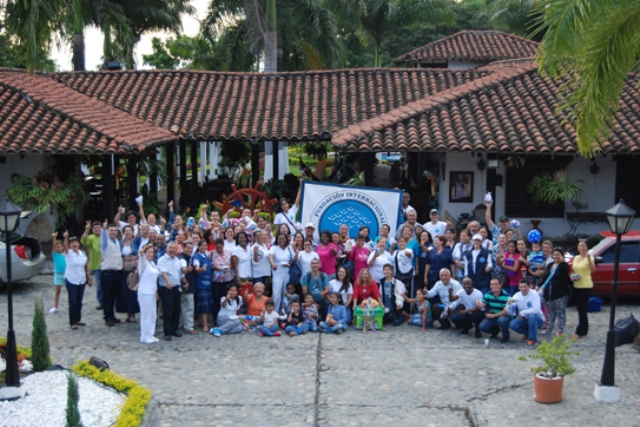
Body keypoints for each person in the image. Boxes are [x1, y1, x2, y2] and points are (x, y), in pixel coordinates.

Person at [540, 247, 572, 337]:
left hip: (560, 293)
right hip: (549, 293)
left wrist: (563, 262)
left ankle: (560, 330)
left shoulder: (563, 266)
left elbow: (566, 273)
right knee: (550, 312)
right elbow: (545, 277)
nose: (556, 256)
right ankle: (549, 328)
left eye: (558, 254)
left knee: (560, 312)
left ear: (562, 255)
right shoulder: (550, 265)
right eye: (554, 254)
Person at [63, 233, 91, 330]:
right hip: (72, 279)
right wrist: (66, 238)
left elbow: (86, 265)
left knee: (79, 301)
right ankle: (72, 322)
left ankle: (78, 319)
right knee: (73, 301)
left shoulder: (82, 253)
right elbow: (65, 247)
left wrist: (89, 277)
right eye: (72, 243)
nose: (74, 244)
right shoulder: (68, 253)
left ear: (78, 243)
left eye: (75, 242)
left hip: (81, 279)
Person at [158, 242, 185, 341]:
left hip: (177, 288)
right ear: (166, 249)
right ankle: (167, 332)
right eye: (170, 248)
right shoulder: (162, 260)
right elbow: (163, 272)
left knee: (176, 310)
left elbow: (180, 274)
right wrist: (167, 282)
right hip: (167, 288)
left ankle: (174, 329)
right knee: (168, 311)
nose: (172, 249)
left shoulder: (177, 260)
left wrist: (185, 282)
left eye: (174, 248)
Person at [509, 278, 544, 349]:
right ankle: (528, 333)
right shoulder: (517, 295)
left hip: (537, 318)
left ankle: (533, 340)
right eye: (521, 287)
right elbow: (511, 309)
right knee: (512, 325)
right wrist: (509, 304)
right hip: (524, 319)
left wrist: (523, 313)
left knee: (531, 316)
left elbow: (536, 309)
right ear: (518, 287)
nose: (523, 288)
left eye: (525, 286)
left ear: (529, 286)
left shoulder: (534, 294)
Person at [100, 222, 123, 326]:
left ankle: (112, 315)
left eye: (115, 230)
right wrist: (104, 228)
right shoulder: (105, 241)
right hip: (107, 272)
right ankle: (107, 317)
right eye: (111, 230)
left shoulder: (117, 241)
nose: (113, 232)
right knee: (107, 296)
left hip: (116, 272)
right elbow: (103, 237)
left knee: (113, 296)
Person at [571, 240, 596, 339]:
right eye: (580, 246)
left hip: (585, 286)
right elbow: (574, 270)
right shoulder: (576, 257)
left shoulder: (590, 258)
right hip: (577, 284)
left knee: (581, 309)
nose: (581, 248)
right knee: (580, 309)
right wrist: (572, 276)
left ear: (587, 248)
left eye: (583, 246)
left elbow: (593, 270)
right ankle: (584, 329)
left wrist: (589, 260)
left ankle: (579, 331)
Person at [137, 244, 160, 343]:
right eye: (148, 252)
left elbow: (154, 280)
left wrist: (156, 292)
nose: (150, 254)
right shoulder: (143, 262)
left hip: (152, 292)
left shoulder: (153, 264)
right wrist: (149, 245)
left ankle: (150, 334)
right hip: (144, 292)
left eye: (152, 252)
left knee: (152, 314)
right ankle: (144, 336)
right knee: (145, 315)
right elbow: (140, 253)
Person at [478, 278, 511, 343]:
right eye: (492, 284)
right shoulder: (488, 294)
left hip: (504, 315)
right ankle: (495, 331)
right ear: (490, 286)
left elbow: (506, 312)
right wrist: (478, 304)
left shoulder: (506, 296)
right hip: (494, 314)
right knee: (482, 327)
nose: (494, 286)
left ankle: (505, 336)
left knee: (502, 320)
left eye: (496, 284)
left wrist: (493, 315)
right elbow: (482, 305)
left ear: (500, 285)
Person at [210, 237, 234, 322]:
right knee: (216, 299)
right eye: (217, 247)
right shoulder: (211, 253)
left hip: (227, 279)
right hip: (217, 280)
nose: (219, 249)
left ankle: (225, 317)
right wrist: (215, 267)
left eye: (220, 247)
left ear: (223, 245)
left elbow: (232, 264)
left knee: (225, 298)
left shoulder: (228, 253)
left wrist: (228, 267)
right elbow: (210, 266)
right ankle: (216, 318)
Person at [118, 225, 139, 323]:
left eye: (130, 231)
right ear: (123, 232)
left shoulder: (135, 242)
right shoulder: (120, 243)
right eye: (126, 231)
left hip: (133, 270)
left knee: (132, 293)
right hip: (123, 270)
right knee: (124, 293)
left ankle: (133, 313)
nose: (128, 232)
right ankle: (128, 312)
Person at [270, 233, 295, 313]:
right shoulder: (274, 248)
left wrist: (290, 263)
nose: (281, 240)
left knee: (286, 295)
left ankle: (284, 313)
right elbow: (271, 257)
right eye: (280, 238)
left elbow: (293, 259)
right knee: (276, 295)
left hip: (286, 274)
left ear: (286, 240)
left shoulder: (289, 248)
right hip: (277, 275)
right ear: (277, 239)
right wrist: (273, 264)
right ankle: (275, 313)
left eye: (283, 239)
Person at [81, 220, 103, 310]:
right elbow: (83, 241)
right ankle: (101, 301)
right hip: (97, 265)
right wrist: (87, 230)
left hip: (107, 265)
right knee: (99, 285)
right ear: (93, 230)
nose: (97, 229)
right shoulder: (91, 237)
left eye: (99, 227)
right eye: (95, 228)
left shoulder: (105, 236)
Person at [192, 240, 213, 332]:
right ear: (199, 246)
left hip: (208, 282)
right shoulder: (196, 257)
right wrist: (201, 269)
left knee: (207, 304)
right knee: (203, 305)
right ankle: (205, 324)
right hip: (201, 283)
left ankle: (202, 321)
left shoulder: (206, 256)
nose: (204, 247)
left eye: (205, 245)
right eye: (202, 245)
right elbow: (196, 269)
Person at [179, 241, 197, 335]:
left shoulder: (188, 258)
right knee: (189, 307)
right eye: (188, 248)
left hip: (186, 285)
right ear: (183, 248)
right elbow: (182, 270)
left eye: (191, 248)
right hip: (187, 286)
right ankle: (189, 327)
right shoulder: (182, 259)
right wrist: (187, 271)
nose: (190, 250)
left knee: (183, 306)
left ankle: (182, 325)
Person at [49, 232, 66, 314]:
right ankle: (56, 306)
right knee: (57, 291)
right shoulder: (55, 254)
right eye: (57, 246)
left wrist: (66, 237)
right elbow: (53, 247)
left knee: (70, 290)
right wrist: (54, 238)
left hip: (66, 274)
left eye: (60, 246)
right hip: (58, 274)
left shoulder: (66, 254)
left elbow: (66, 246)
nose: (59, 248)